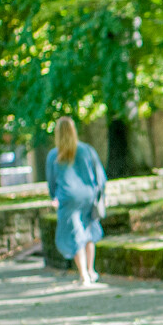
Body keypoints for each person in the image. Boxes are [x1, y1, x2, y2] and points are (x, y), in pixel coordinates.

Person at [46, 117, 107, 285]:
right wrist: (100, 194)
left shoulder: (54, 155)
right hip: (88, 195)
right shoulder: (87, 150)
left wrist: (54, 197)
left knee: (75, 234)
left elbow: (51, 181)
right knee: (88, 232)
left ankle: (83, 275)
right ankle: (91, 270)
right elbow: (100, 175)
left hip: (68, 198)